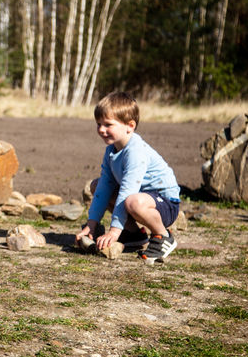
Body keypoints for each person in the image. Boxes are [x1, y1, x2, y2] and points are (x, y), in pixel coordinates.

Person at [75, 91, 180, 264]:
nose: (101, 129)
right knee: (96, 185)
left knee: (132, 201)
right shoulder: (111, 150)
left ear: (129, 126)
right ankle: (132, 234)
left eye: (108, 124)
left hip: (165, 204)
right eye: (99, 124)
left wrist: (114, 232)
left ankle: (163, 236)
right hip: (141, 198)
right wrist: (92, 223)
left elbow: (127, 190)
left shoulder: (135, 152)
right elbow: (104, 187)